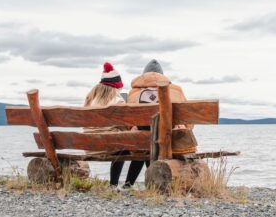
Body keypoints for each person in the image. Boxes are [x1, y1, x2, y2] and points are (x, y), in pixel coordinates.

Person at [118, 59, 195, 188]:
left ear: (143, 75)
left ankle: (128, 184)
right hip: (170, 140)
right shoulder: (176, 90)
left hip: (140, 142)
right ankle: (153, 186)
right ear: (163, 75)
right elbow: (188, 121)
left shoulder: (134, 92)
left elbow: (127, 123)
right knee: (150, 145)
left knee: (144, 146)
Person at [83, 62, 127, 187]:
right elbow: (125, 127)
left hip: (89, 147)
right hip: (110, 148)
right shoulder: (118, 101)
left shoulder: (90, 99)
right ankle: (113, 184)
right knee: (125, 144)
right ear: (116, 87)